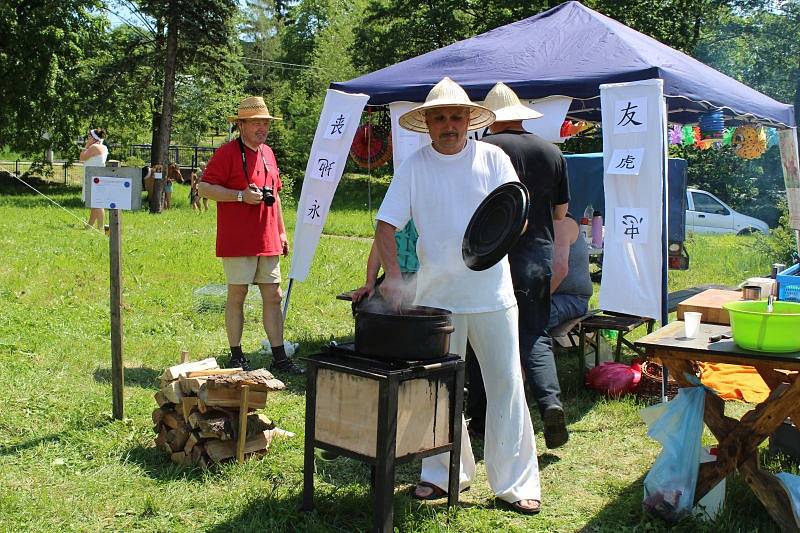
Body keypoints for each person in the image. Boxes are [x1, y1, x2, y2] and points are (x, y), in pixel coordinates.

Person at [373, 77, 541, 514]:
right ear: (427, 124)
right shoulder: (414, 166)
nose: (449, 125)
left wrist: (502, 234)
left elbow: (516, 216)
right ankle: (443, 475)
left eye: (456, 116)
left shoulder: (494, 158)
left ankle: (516, 483)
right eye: (440, 117)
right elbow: (386, 225)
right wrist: (392, 275)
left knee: (506, 385)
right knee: (439, 390)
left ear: (470, 119)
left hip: (492, 294)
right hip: (437, 300)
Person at [467, 82, 570, 450]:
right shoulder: (551, 152)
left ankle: (479, 420)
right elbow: (561, 213)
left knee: (481, 338)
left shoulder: (481, 150)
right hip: (537, 255)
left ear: (490, 119)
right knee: (535, 335)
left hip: (492, 258)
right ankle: (550, 403)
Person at [197, 96, 302, 376]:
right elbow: (205, 188)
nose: (262, 128)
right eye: (256, 123)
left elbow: (275, 195)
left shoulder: (268, 152)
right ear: (240, 125)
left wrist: (281, 231)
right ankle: (236, 356)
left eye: (265, 123)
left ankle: (279, 358)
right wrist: (241, 196)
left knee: (274, 295)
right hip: (238, 239)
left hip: (267, 238)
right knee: (238, 295)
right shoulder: (227, 153)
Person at [351, 220, 418, 304]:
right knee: (365, 305)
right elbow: (379, 245)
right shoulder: (389, 212)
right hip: (392, 275)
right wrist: (370, 283)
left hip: (421, 277)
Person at [549, 214, 592, 328]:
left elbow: (559, 270)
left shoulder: (562, 223)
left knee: (528, 319)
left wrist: (534, 300)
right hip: (555, 296)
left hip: (571, 298)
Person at [80, 128, 109, 230]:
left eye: (89, 136)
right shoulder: (103, 147)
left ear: (93, 138)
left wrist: (86, 146)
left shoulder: (94, 147)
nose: (87, 138)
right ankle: (89, 226)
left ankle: (100, 228)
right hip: (95, 177)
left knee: (98, 204)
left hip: (94, 178)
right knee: (94, 203)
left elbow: (82, 158)